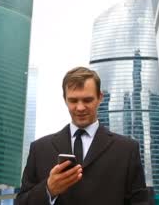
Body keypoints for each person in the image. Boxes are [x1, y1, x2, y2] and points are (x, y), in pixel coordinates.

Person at [16, 67, 148, 204]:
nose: (80, 108)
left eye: (87, 100)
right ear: (65, 99)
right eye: (73, 100)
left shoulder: (127, 150)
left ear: (100, 98)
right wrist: (49, 189)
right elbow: (21, 202)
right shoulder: (39, 149)